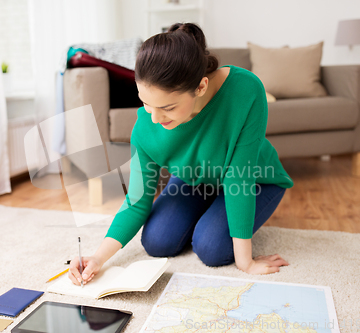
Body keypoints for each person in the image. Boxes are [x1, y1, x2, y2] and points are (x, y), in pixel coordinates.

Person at [68, 22, 294, 286]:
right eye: (145, 103)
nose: (154, 117)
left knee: (212, 248)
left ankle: (214, 220)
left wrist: (246, 262)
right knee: (157, 241)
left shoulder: (245, 90)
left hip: (254, 178)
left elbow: (238, 180)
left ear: (200, 87)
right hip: (196, 178)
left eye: (168, 107)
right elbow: (137, 200)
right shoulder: (146, 127)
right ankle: (209, 211)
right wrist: (97, 257)